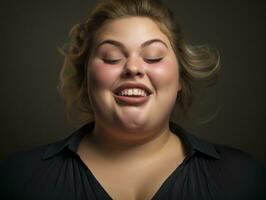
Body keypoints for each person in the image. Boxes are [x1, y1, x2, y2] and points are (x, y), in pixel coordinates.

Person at [0, 0, 265, 199]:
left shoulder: (241, 178)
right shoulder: (19, 178)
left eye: (153, 57)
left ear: (181, 78)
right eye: (112, 57)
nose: (133, 68)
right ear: (86, 77)